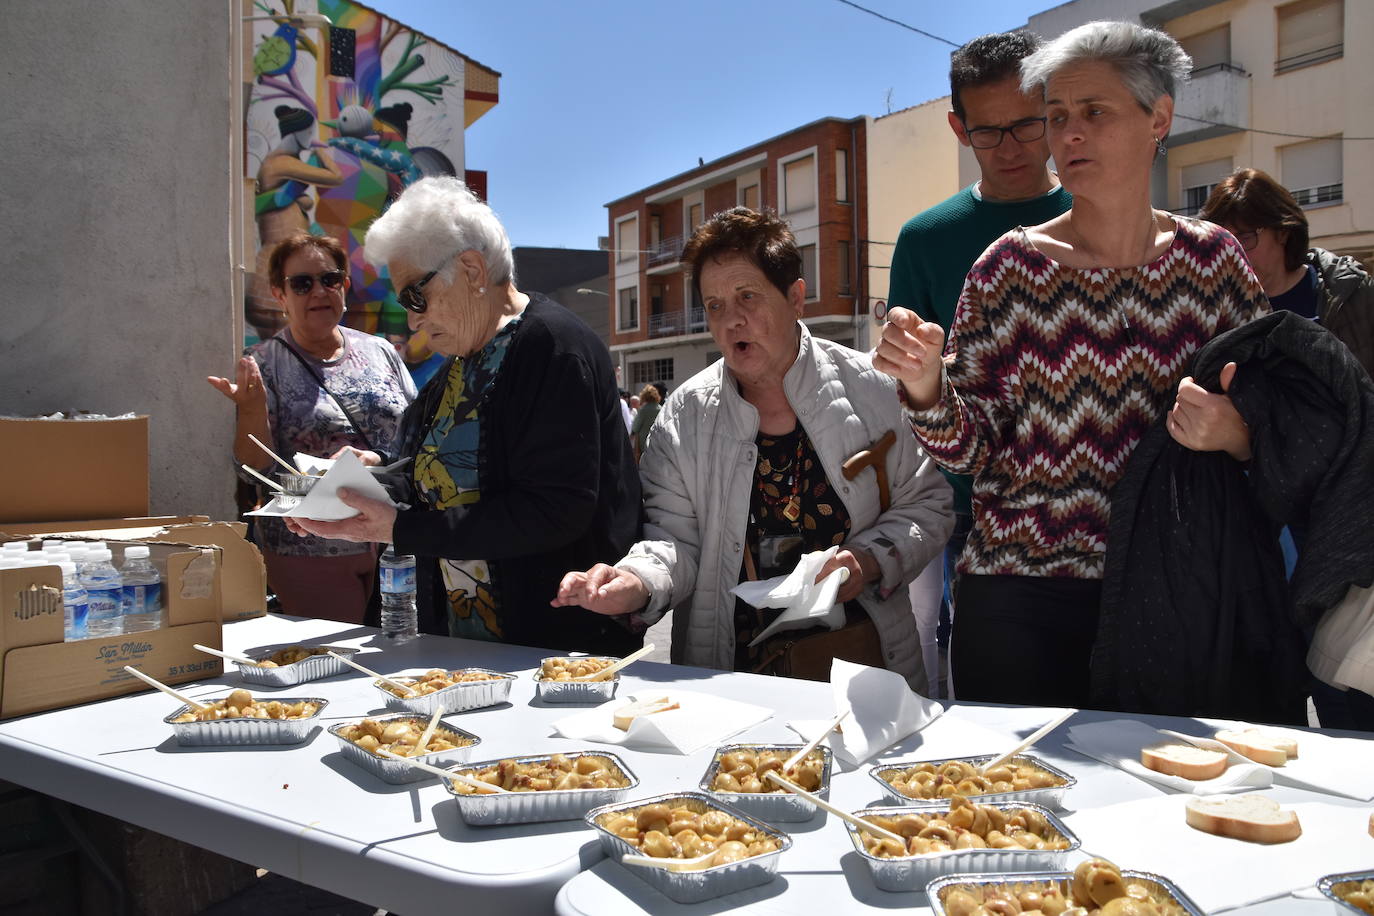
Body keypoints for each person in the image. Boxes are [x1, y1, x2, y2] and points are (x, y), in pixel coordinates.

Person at [874, 20, 1270, 708]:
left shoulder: (1213, 264)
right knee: (1010, 810)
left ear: (1160, 119)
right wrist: (926, 385)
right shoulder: (1006, 268)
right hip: (1020, 597)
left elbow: (1279, 416)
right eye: (1057, 116)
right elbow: (969, 450)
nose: (1069, 134)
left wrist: (1238, 433)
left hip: (1175, 588)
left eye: (1093, 112)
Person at [554, 208, 953, 688]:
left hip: (865, 675)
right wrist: (635, 582)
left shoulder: (872, 390)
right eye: (715, 305)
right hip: (729, 683)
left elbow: (928, 505)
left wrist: (868, 560)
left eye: (748, 297)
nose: (732, 321)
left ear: (796, 298)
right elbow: (673, 543)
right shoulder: (683, 417)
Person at [286, 177, 643, 656]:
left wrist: (397, 527)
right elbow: (437, 479)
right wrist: (368, 479)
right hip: (471, 648)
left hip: (549, 653)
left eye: (415, 296)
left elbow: (555, 510)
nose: (412, 319)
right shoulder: (460, 362)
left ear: (472, 269)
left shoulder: (551, 347)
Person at [887, 30, 1074, 694]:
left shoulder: (1101, 217)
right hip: (967, 508)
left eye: (1028, 124)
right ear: (957, 128)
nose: (1013, 149)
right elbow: (906, 383)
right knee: (985, 699)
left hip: (1094, 516)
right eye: (989, 132)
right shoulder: (924, 239)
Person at [208, 232, 416, 623]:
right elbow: (254, 470)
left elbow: (417, 431)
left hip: (395, 535)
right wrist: (252, 409)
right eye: (302, 283)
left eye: (330, 279)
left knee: (403, 655)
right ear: (279, 294)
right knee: (341, 667)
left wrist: (375, 459)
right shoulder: (262, 363)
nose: (318, 291)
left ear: (345, 286)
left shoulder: (381, 351)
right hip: (309, 545)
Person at [1200, 167, 1374, 376]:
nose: (1234, 253)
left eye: (1244, 238)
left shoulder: (1354, 295)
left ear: (1282, 233)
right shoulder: (1213, 312)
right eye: (1224, 243)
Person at [630, 383, 661, 461]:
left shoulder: (643, 410)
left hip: (644, 442)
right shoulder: (661, 409)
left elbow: (635, 427)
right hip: (658, 441)